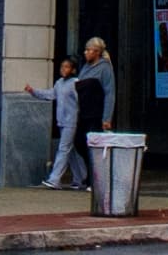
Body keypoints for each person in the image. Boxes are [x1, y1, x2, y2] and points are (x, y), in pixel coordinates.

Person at [24, 57, 85, 188]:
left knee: (63, 149)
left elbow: (82, 101)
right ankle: (80, 179)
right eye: (62, 66)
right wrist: (33, 91)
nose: (63, 69)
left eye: (67, 67)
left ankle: (54, 179)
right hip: (62, 121)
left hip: (72, 121)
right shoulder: (59, 83)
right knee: (71, 151)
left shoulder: (76, 83)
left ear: (73, 70)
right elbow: (50, 94)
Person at [76, 36, 116, 138]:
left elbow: (109, 93)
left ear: (97, 52)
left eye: (88, 50)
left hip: (95, 117)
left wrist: (106, 119)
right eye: (85, 50)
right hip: (82, 115)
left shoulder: (105, 68)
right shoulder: (85, 67)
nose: (85, 52)